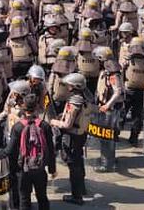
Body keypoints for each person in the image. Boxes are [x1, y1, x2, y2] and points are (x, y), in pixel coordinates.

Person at [6, 93, 56, 210]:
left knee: (24, 198)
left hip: (23, 170)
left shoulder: (18, 127)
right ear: (37, 108)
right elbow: (50, 149)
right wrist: (52, 169)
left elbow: (10, 150)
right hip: (40, 168)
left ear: (24, 108)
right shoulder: (44, 126)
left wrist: (1, 154)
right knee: (42, 197)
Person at [51, 72, 91, 206]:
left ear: (74, 87)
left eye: (69, 85)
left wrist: (54, 122)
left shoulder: (74, 102)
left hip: (71, 137)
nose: (67, 87)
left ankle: (76, 196)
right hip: (80, 135)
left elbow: (67, 124)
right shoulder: (84, 97)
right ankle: (81, 189)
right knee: (79, 162)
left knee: (73, 166)